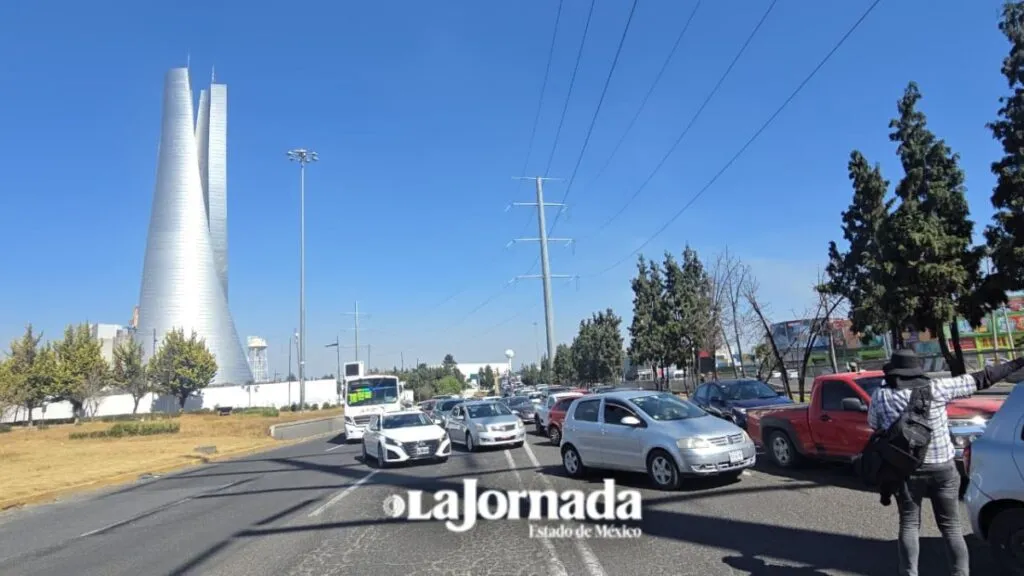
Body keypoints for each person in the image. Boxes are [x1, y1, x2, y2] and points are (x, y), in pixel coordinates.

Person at [867, 348, 1024, 576]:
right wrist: (1019, 362)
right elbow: (983, 378)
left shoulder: (880, 396)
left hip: (906, 471)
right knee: (951, 527)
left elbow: (874, 424)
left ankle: (909, 573)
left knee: (909, 524)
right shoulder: (937, 388)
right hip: (943, 469)